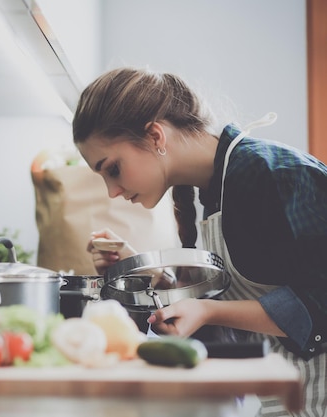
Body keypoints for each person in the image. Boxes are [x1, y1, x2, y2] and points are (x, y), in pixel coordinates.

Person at [73, 67, 327, 417]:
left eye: (112, 169)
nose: (112, 191)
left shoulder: (271, 174)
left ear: (155, 136)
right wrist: (144, 271)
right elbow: (241, 290)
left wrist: (208, 311)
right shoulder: (208, 191)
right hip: (285, 393)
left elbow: (320, 299)